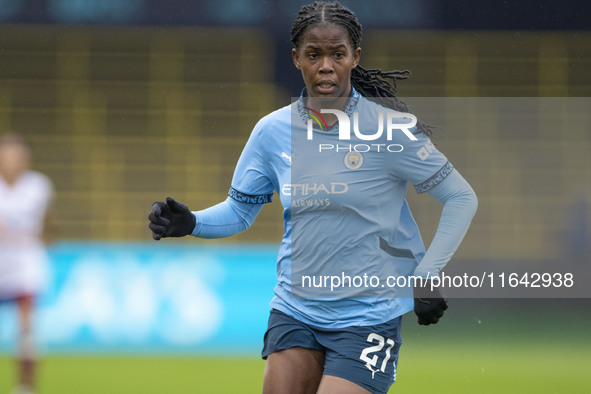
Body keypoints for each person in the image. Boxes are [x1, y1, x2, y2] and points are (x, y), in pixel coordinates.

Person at [148, 2, 477, 393]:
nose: (325, 65)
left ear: (355, 57)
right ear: (296, 58)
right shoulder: (272, 132)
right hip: (295, 308)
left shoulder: (390, 131)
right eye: (313, 54)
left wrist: (425, 275)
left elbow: (460, 197)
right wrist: (193, 223)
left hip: (368, 315)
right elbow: (240, 211)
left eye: (337, 54)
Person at [0, 133, 55, 394]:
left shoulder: (38, 185)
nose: (12, 160)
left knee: (27, 332)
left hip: (25, 262)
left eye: (17, 154)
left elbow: (48, 224)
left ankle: (25, 387)